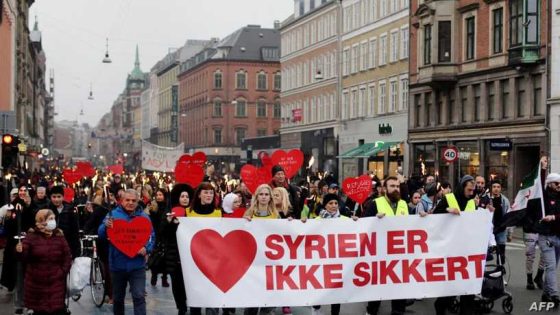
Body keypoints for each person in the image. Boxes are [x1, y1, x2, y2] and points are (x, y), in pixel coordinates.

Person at [98, 189, 155, 315]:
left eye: (133, 200)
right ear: (121, 201)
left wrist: (146, 248)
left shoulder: (144, 217)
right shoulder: (112, 215)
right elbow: (101, 235)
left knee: (139, 297)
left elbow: (151, 236)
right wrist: (105, 226)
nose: (130, 203)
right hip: (117, 265)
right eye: (127, 200)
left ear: (138, 201)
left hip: (137, 265)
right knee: (118, 299)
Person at [432, 175, 479, 315]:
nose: (472, 192)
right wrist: (447, 211)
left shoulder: (472, 202)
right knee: (452, 286)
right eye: (469, 189)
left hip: (468, 250)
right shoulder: (449, 199)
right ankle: (440, 305)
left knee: (468, 288)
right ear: (462, 186)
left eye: (473, 190)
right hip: (451, 248)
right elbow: (434, 218)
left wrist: (486, 213)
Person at [362, 176, 408, 315]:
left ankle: (398, 311)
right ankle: (371, 311)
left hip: (400, 253)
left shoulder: (403, 204)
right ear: (385, 189)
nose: (395, 189)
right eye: (392, 186)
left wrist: (422, 217)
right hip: (380, 253)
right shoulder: (375, 204)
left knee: (399, 286)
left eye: (397, 186)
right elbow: (363, 225)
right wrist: (374, 220)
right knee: (378, 287)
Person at [15, 209, 72, 315]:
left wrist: (62, 272)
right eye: (50, 219)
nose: (53, 221)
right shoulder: (31, 237)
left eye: (54, 218)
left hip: (56, 285)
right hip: (36, 287)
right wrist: (20, 251)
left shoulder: (59, 237)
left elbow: (67, 257)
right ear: (42, 221)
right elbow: (23, 257)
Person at [187, 183, 222, 315]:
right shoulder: (188, 213)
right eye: (206, 192)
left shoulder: (219, 213)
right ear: (199, 194)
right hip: (194, 260)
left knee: (212, 292)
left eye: (211, 193)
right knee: (196, 292)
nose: (209, 195)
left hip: (214, 261)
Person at [244, 184, 278, 315]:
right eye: (261, 194)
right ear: (256, 196)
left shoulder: (275, 215)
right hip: (253, 262)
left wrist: (290, 223)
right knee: (252, 299)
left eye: (266, 194)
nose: (264, 197)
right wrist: (243, 222)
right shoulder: (249, 213)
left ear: (270, 197)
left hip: (269, 262)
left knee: (267, 300)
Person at [161, 184, 194, 315]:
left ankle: (192, 304)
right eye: (182, 196)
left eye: (187, 196)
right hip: (174, 255)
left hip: (191, 254)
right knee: (177, 283)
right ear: (178, 198)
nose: (185, 199)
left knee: (190, 283)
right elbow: (162, 232)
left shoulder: (194, 212)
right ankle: (181, 306)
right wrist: (170, 224)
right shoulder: (170, 212)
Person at [534, 173, 560, 306]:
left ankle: (546, 293)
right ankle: (555, 295)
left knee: (553, 266)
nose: (559, 186)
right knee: (550, 266)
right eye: (556, 183)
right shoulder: (543, 196)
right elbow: (539, 181)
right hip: (545, 236)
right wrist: (543, 169)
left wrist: (554, 217)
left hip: (558, 235)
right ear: (550, 183)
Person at [49, 185, 81, 259]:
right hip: (52, 246)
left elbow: (75, 231)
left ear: (63, 197)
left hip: (67, 245)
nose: (56, 199)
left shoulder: (70, 210)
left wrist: (75, 251)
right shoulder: (47, 210)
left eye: (59, 196)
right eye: (54, 197)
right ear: (51, 197)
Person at [149, 188, 169, 287]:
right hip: (156, 235)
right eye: (157, 195)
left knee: (165, 258)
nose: (158, 197)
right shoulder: (153, 207)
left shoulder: (167, 207)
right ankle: (154, 275)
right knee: (155, 258)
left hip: (165, 235)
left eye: (160, 195)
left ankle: (164, 278)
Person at [490, 180, 510, 264]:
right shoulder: (487, 199)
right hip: (490, 230)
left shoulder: (505, 201)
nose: (496, 189)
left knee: (501, 253)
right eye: (494, 187)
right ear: (491, 188)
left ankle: (500, 269)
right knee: (487, 252)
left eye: (498, 187)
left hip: (502, 229)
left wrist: (510, 233)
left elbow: (509, 216)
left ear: (500, 189)